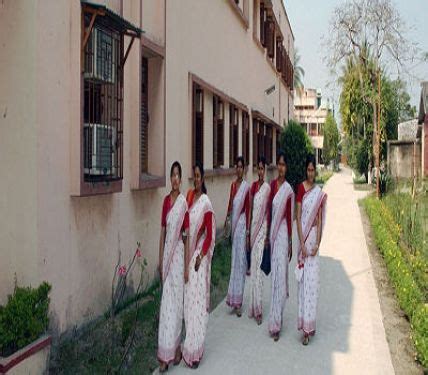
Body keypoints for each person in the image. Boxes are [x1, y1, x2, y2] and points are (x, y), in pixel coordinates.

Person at [183, 162, 216, 369]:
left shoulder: (205, 202)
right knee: (188, 303)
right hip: (188, 254)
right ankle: (188, 347)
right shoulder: (188, 198)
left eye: (198, 176)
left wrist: (200, 256)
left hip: (198, 259)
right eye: (193, 176)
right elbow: (184, 227)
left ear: (202, 179)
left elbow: (210, 235)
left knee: (197, 305)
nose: (196, 179)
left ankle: (196, 351)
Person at [157, 162, 189, 372]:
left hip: (178, 257)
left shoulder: (183, 204)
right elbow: (162, 232)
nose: (176, 179)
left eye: (178, 175)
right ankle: (164, 353)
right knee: (166, 303)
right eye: (173, 175)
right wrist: (160, 259)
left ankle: (176, 348)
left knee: (177, 303)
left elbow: (186, 238)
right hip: (168, 259)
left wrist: (186, 266)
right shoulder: (166, 202)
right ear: (170, 179)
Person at [296, 154, 327, 345]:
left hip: (314, 246)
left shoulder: (318, 193)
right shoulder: (301, 189)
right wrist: (301, 244)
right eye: (308, 169)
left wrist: (317, 245)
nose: (310, 173)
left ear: (315, 171)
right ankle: (304, 328)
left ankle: (310, 327)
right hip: (303, 245)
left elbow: (320, 220)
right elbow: (298, 217)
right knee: (303, 286)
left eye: (312, 169)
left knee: (312, 286)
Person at [268, 151, 294, 341]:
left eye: (284, 164)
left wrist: (291, 242)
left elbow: (289, 218)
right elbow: (270, 213)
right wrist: (268, 238)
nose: (281, 167)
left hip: (284, 235)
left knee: (281, 278)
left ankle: (277, 322)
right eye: (279, 164)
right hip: (273, 237)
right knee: (275, 278)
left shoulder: (289, 190)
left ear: (287, 167)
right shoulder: (272, 186)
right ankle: (274, 320)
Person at [225, 156, 250, 317]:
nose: (239, 169)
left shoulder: (246, 188)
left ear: (244, 169)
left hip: (242, 229)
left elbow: (248, 210)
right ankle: (232, 299)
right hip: (235, 230)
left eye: (241, 166)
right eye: (237, 166)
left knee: (241, 263)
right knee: (234, 263)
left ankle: (239, 302)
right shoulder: (233, 186)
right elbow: (229, 207)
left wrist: (247, 232)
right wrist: (227, 221)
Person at [248, 156, 271, 325]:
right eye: (259, 169)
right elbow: (250, 210)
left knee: (259, 273)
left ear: (266, 170)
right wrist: (249, 233)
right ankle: (253, 306)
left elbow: (268, 213)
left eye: (263, 169)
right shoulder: (254, 187)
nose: (261, 172)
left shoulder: (268, 189)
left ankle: (259, 310)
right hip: (253, 233)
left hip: (262, 232)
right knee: (253, 270)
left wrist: (267, 237)